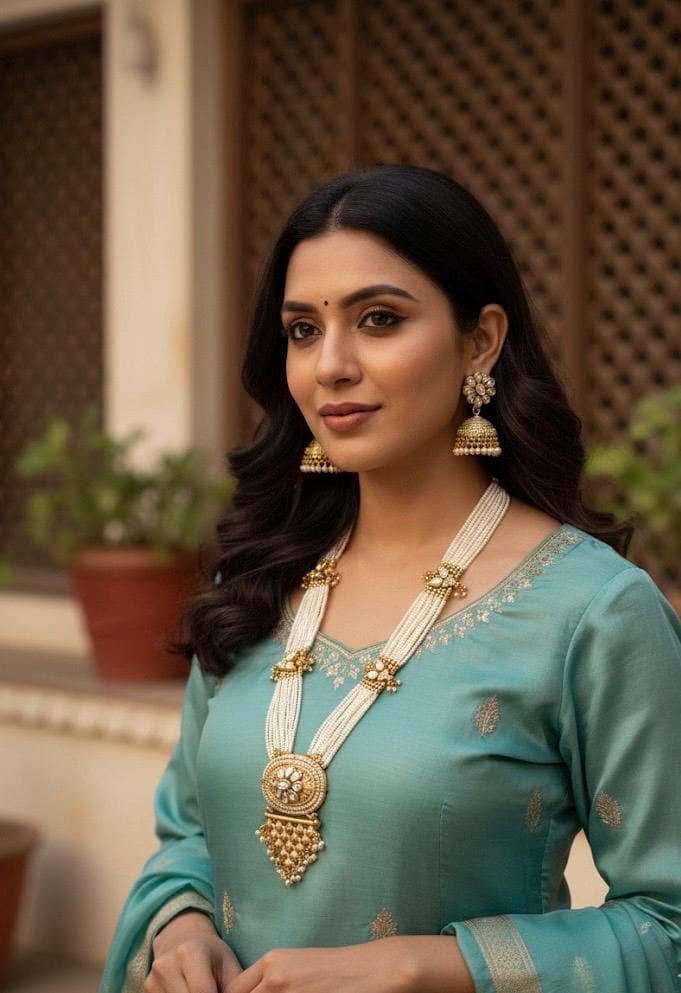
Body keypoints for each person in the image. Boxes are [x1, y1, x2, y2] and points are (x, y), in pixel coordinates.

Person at [100, 165, 681, 993]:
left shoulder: (592, 611)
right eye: (303, 330)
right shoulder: (257, 578)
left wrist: (427, 964)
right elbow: (189, 835)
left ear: (480, 340)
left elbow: (668, 927)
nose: (330, 365)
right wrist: (180, 931)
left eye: (378, 319)